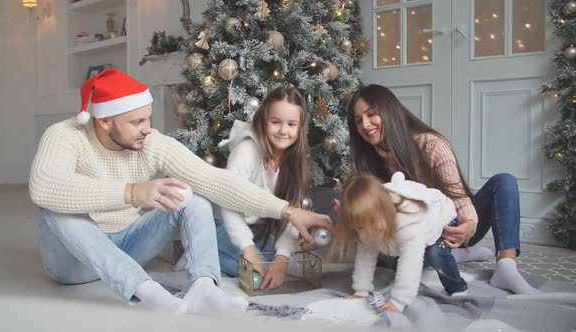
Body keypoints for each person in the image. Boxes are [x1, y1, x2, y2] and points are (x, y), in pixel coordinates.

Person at [29, 69, 333, 317]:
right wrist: (133, 193)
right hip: (73, 262)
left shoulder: (149, 142)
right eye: (136, 122)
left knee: (191, 197)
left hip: (129, 245)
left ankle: (204, 287)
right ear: (105, 120)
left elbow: (215, 181)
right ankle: (144, 289)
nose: (147, 128)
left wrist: (288, 211)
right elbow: (44, 185)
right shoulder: (65, 136)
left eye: (147, 118)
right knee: (54, 208)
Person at [343, 84, 539, 295]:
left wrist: (469, 224)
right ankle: (455, 255)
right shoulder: (367, 160)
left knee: (504, 181)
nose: (365, 124)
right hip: (413, 238)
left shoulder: (431, 144)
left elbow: (458, 195)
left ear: (389, 111)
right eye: (358, 120)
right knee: (394, 260)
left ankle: (506, 267)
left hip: (452, 225)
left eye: (371, 114)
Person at [214, 86, 308, 290]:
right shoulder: (246, 152)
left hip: (261, 231)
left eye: (291, 124)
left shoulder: (294, 161)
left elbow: (293, 215)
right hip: (231, 226)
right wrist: (247, 248)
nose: (284, 131)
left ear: (299, 128)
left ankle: (229, 257)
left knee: (283, 261)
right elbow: (229, 205)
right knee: (255, 268)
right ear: (264, 121)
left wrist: (281, 259)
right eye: (276, 122)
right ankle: (202, 253)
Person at [330, 173, 468, 312]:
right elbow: (365, 256)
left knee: (435, 253)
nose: (368, 231)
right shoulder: (366, 226)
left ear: (385, 211)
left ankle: (458, 287)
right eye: (360, 226)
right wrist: (361, 291)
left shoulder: (408, 223)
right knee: (398, 263)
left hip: (441, 218)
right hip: (412, 232)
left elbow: (410, 261)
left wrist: (399, 301)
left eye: (372, 222)